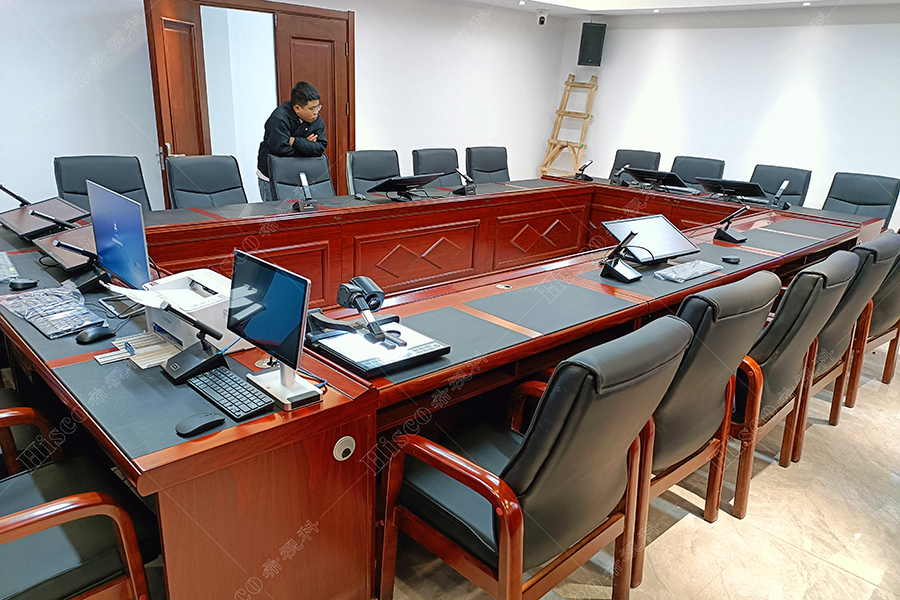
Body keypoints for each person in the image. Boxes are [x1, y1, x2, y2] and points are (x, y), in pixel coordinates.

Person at [256, 81, 327, 202]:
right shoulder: (279, 118)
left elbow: (320, 147)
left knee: (302, 211)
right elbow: (280, 150)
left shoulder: (316, 119)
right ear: (297, 108)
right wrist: (307, 146)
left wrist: (295, 141)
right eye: (312, 109)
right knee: (277, 211)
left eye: (318, 107)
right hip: (272, 175)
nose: (316, 112)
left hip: (299, 175)